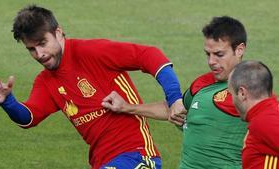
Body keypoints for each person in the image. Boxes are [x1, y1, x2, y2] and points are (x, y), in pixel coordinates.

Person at [0, 5, 185, 169]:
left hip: (137, 155)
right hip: (102, 161)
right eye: (31, 49)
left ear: (58, 33)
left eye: (42, 43)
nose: (39, 54)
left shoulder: (92, 52)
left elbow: (149, 55)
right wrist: (8, 102)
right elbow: (29, 117)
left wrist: (174, 98)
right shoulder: (46, 81)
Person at [102, 16, 249, 168]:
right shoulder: (203, 83)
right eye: (208, 54)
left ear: (239, 50)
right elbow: (173, 109)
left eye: (219, 54)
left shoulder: (251, 89)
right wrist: (127, 107)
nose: (211, 61)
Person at [228, 60, 279, 169]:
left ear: (242, 93)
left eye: (231, 94)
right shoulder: (269, 112)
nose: (232, 101)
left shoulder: (264, 122)